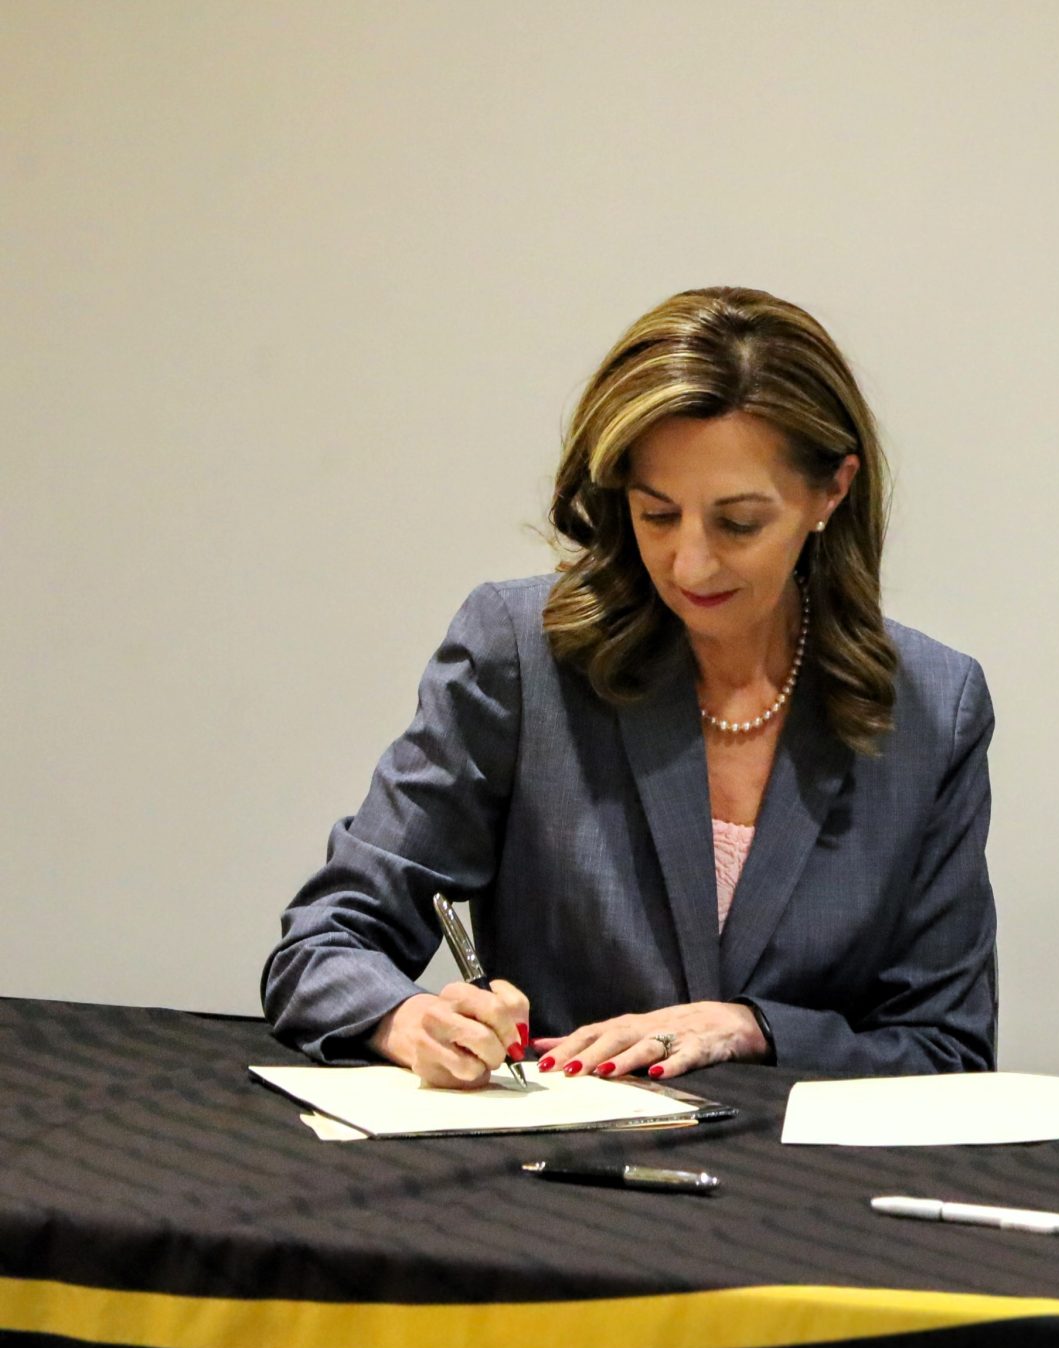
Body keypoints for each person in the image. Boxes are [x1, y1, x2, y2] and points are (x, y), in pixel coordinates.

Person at [265, 286, 995, 1086]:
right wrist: (410, 1021)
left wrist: (751, 1028)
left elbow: (945, 1050)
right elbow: (322, 946)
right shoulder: (522, 655)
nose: (691, 564)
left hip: (801, 1193)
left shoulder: (933, 707)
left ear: (833, 490)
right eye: (656, 514)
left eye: (739, 523)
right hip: (555, 1182)